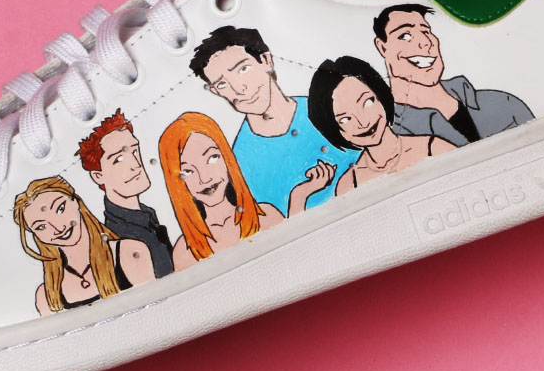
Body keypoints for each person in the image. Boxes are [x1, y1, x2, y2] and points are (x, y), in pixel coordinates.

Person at [189, 25, 356, 213]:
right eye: (222, 84)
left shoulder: (332, 110)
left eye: (243, 69)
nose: (239, 89)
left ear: (266, 60)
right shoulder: (239, 163)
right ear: (214, 91)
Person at [159, 111, 307, 270]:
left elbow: (298, 260)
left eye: (212, 158)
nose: (204, 178)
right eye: (188, 171)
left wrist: (298, 198)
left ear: (226, 157)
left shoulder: (265, 216)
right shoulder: (185, 250)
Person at [373, 4, 533, 145]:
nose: (425, 42)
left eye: (426, 32)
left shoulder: (503, 104)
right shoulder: (388, 136)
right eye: (405, 36)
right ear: (382, 47)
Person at [308, 57, 453, 194]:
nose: (362, 122)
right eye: (345, 119)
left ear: (381, 96)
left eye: (367, 102)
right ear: (337, 131)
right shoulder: (349, 184)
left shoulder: (433, 147)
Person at [12, 176, 155, 316]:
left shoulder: (129, 254)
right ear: (36, 235)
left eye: (60, 209)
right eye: (41, 227)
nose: (58, 228)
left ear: (75, 202)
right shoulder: (46, 296)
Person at [76, 110, 174, 278]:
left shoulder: (147, 215)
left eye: (134, 151)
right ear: (98, 176)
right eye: (119, 159)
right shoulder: (119, 236)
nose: (136, 165)